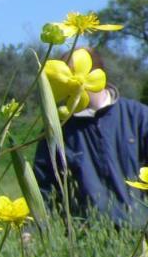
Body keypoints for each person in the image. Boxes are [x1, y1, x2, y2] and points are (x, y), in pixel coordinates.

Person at [33, 48, 148, 228]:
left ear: (97, 75)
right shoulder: (58, 128)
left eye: (71, 76)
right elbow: (43, 187)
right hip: (85, 240)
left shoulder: (139, 116)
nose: (69, 84)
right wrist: (31, 230)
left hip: (139, 235)